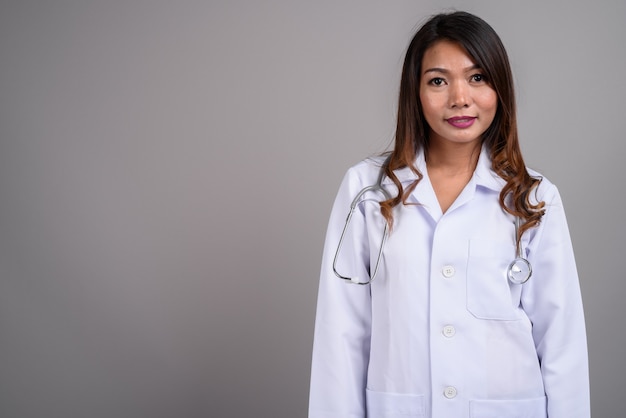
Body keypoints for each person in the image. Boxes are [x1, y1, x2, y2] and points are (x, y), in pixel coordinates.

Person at [308, 11, 589, 418]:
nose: (460, 98)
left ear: (500, 88)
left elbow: (561, 341)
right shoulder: (367, 191)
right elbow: (341, 334)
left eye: (477, 78)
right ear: (415, 92)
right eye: (438, 81)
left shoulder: (533, 197)